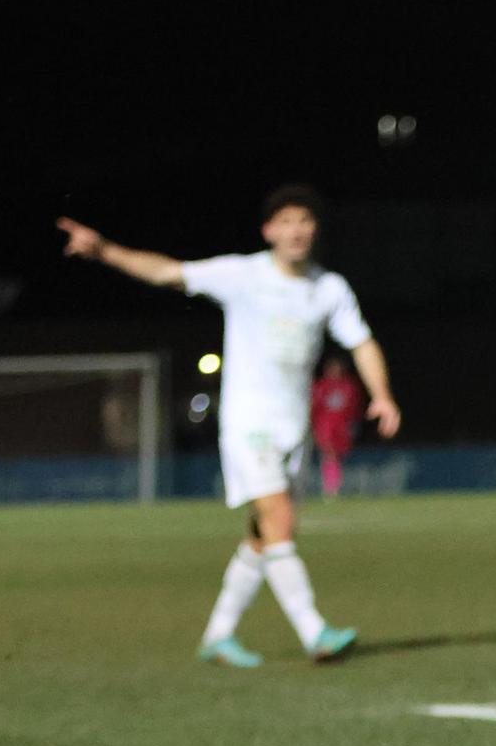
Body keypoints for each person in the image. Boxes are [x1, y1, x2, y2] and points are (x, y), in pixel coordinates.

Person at [56, 187, 401, 667]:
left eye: (304, 220)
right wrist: (105, 251)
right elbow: (168, 272)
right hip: (248, 424)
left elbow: (361, 342)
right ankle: (314, 630)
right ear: (268, 231)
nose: (296, 229)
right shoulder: (243, 275)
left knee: (263, 536)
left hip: (292, 430)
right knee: (279, 518)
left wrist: (381, 395)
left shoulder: (329, 288)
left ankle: (218, 635)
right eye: (286, 221)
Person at [310, 354, 364, 498]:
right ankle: (331, 489)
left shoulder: (349, 386)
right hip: (325, 427)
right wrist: (314, 427)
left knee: (337, 456)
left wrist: (353, 424)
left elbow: (355, 407)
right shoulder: (320, 386)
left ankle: (335, 486)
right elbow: (314, 407)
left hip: (342, 427)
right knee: (329, 455)